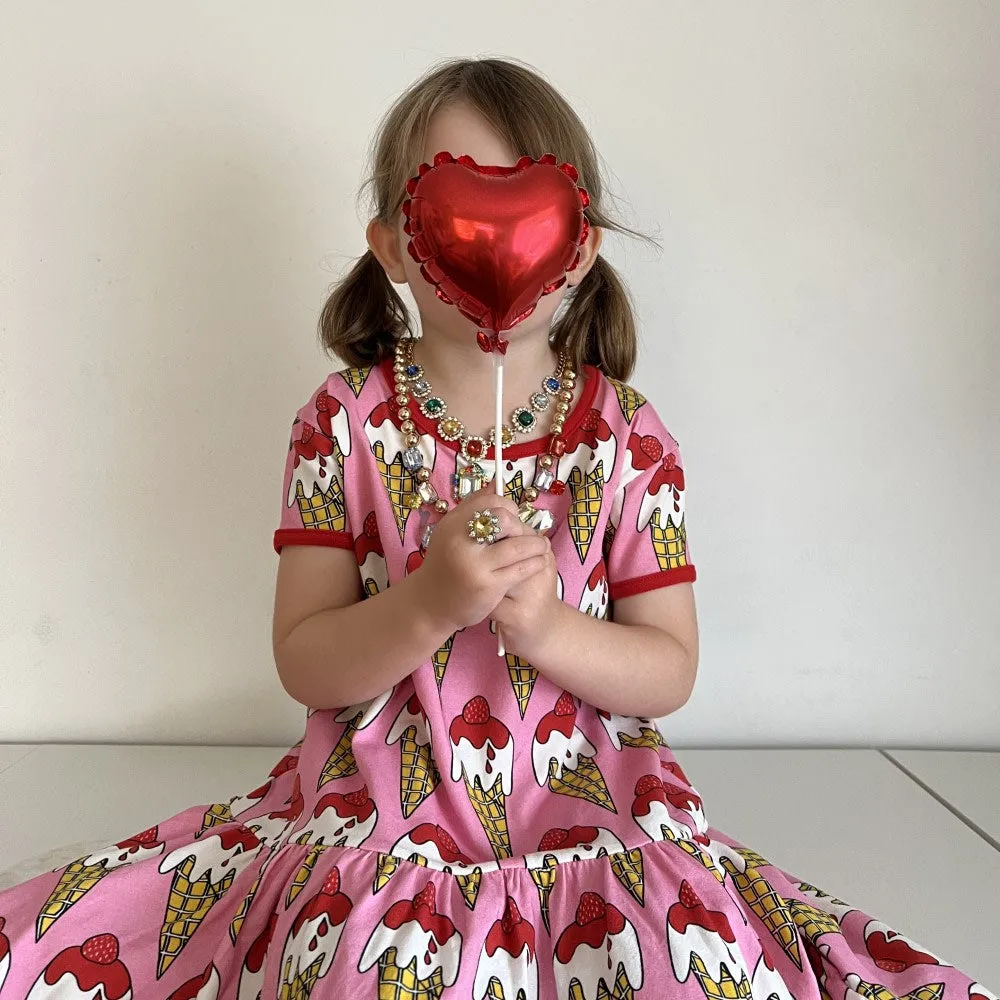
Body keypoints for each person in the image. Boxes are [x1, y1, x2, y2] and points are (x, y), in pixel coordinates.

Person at [0, 57, 991, 1000]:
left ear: (579, 243)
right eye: (454, 214)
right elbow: (306, 661)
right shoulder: (341, 423)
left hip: (594, 801)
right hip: (380, 806)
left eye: (527, 212)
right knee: (357, 960)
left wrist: (551, 628)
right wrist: (428, 603)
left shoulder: (624, 434)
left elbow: (668, 667)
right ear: (393, 243)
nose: (493, 245)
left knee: (674, 965)